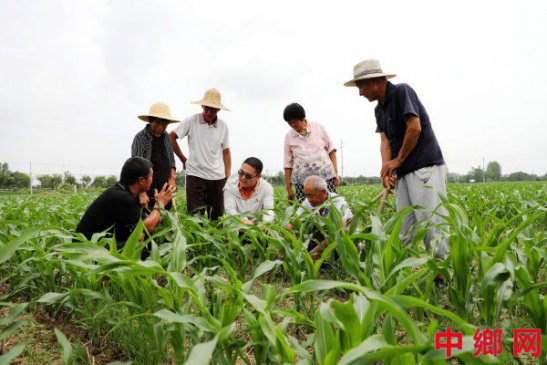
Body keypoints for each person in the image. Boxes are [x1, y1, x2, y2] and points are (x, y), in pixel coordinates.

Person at [344, 59, 448, 259]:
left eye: (360, 86)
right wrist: (387, 168)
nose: (360, 93)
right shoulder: (379, 109)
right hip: (403, 171)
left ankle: (441, 273)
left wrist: (397, 161)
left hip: (424, 166)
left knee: (429, 220)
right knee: (404, 225)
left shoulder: (402, 92)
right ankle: (399, 269)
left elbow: (414, 127)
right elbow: (385, 140)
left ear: (374, 81)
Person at [76, 157, 176, 251]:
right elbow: (147, 228)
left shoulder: (125, 192)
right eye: (151, 176)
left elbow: (140, 228)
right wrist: (159, 204)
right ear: (141, 180)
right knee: (141, 246)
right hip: (87, 247)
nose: (152, 180)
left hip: (98, 242)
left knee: (142, 240)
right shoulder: (122, 197)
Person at [170, 89, 231, 220]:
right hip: (196, 175)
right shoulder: (191, 121)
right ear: (202, 106)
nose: (209, 112)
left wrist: (227, 175)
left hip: (217, 177)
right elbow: (171, 137)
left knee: (218, 218)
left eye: (213, 109)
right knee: (195, 218)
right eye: (206, 108)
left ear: (218, 110)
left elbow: (226, 152)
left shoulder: (223, 126)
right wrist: (183, 159)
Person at [283, 103, 340, 202]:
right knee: (307, 206)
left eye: (294, 121)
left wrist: (336, 173)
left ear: (302, 117)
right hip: (303, 182)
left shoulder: (318, 127)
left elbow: (331, 150)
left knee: (331, 203)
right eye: (289, 122)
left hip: (325, 176)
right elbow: (287, 164)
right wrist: (289, 189)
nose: (292, 125)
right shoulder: (289, 136)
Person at [287, 175, 352, 261]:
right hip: (323, 236)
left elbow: (339, 231)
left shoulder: (337, 201)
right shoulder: (308, 201)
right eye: (306, 195)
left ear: (324, 192)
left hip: (344, 239)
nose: (309, 199)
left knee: (341, 252)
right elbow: (294, 223)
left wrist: (314, 253)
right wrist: (287, 243)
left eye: (311, 195)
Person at [132, 102, 179, 210]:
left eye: (164, 124)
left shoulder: (166, 136)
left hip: (164, 190)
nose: (161, 127)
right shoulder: (140, 138)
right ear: (150, 120)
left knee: (164, 220)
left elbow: (171, 160)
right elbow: (137, 168)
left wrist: (172, 178)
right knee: (148, 221)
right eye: (158, 122)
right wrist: (142, 192)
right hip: (147, 191)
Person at [224, 157, 274, 225]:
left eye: (248, 176)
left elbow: (269, 209)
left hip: (257, 229)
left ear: (258, 177)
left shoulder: (266, 188)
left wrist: (265, 224)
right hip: (234, 229)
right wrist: (243, 220)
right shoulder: (230, 185)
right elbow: (230, 209)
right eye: (241, 172)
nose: (243, 177)